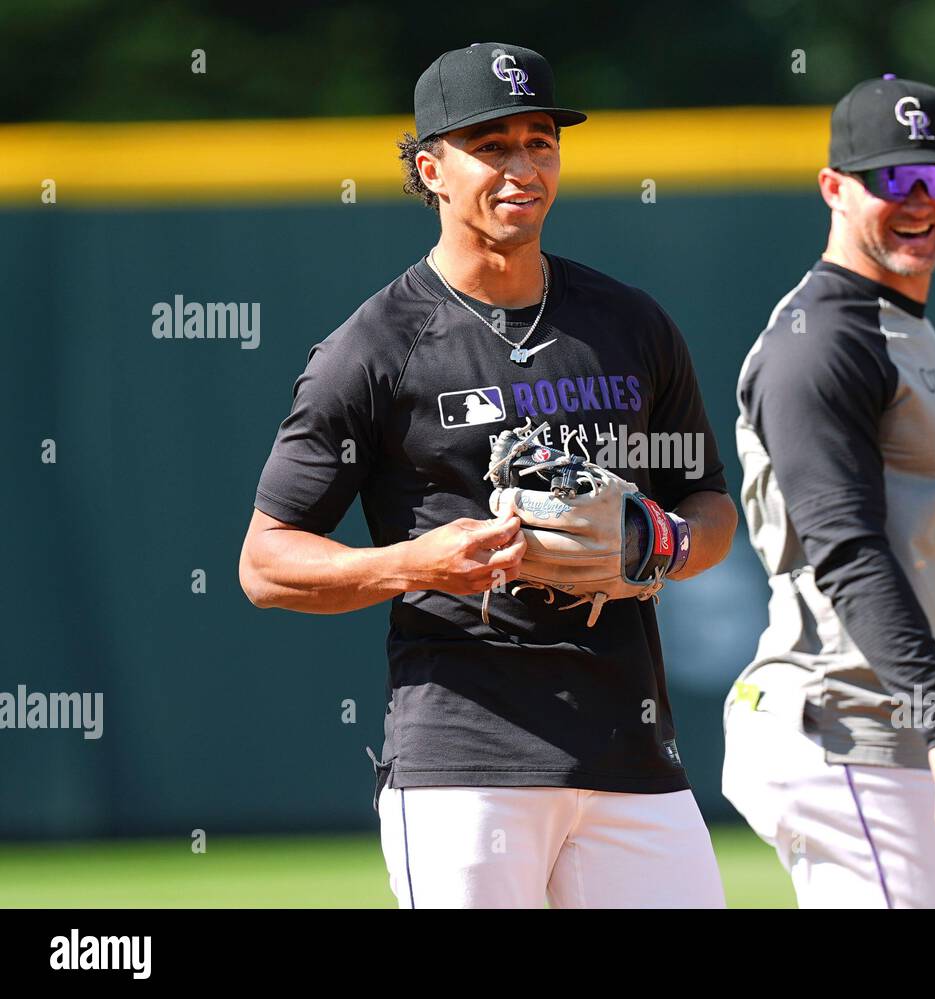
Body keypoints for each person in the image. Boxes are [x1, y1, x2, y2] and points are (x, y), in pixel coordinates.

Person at [238, 42, 736, 909]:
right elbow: (265, 562)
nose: (523, 166)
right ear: (431, 168)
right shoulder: (374, 349)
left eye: (540, 140)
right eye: (492, 145)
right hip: (465, 766)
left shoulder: (628, 324)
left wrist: (661, 541)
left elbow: (710, 505)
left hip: (633, 753)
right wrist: (416, 563)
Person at [723, 75, 935, 908]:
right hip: (840, 726)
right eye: (894, 179)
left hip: (903, 725)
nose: (922, 200)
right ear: (833, 188)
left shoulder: (900, 323)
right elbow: (846, 551)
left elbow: (909, 544)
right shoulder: (819, 340)